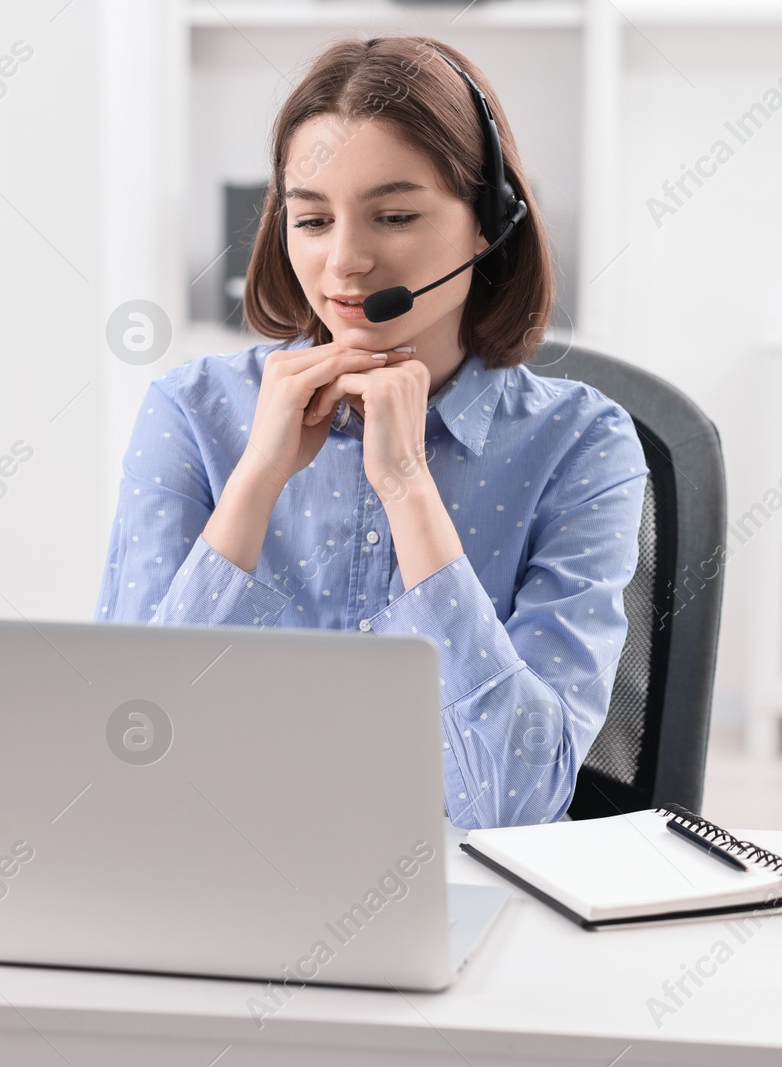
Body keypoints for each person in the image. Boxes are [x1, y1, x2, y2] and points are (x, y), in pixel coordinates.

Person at [97, 36, 646, 829]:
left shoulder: (583, 447)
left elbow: (514, 803)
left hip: (466, 889)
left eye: (393, 215)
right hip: (222, 870)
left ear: (489, 224)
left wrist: (409, 489)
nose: (344, 262)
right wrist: (252, 486)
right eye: (312, 218)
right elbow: (126, 761)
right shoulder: (191, 414)